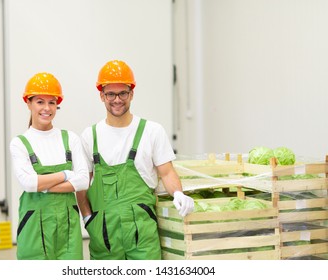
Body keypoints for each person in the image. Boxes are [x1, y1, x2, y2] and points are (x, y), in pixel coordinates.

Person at [77, 60, 194, 260]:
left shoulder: (152, 131)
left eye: (122, 93)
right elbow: (82, 185)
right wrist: (88, 218)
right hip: (103, 235)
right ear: (102, 96)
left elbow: (167, 172)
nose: (117, 99)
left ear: (131, 93)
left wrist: (178, 194)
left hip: (142, 234)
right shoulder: (90, 136)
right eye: (110, 94)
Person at [10, 72, 89, 260]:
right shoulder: (20, 143)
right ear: (28, 103)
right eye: (40, 102)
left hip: (67, 228)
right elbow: (29, 184)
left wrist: (44, 186)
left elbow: (84, 181)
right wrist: (66, 174)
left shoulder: (70, 139)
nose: (47, 108)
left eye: (52, 102)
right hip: (34, 229)